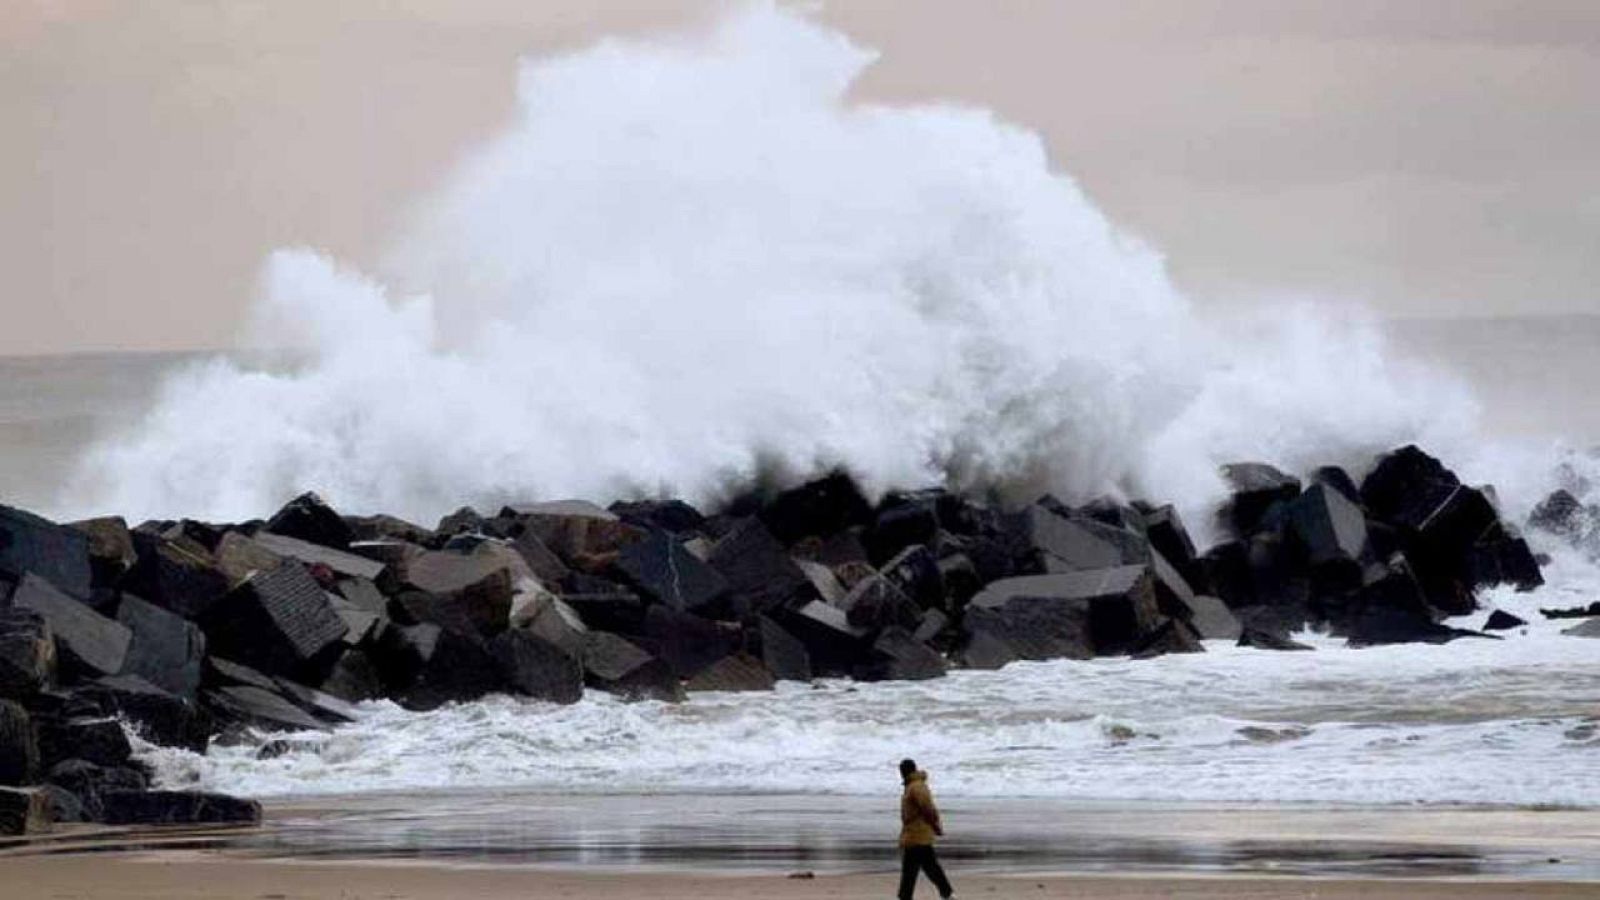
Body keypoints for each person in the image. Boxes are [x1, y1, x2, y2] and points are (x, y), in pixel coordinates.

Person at [897, 758, 955, 900]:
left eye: (902, 770)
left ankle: (947, 893)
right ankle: (946, 893)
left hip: (918, 834)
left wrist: (935, 826)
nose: (901, 773)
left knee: (920, 868)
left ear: (906, 771)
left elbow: (928, 808)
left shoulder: (916, 787)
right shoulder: (913, 785)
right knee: (923, 867)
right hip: (914, 834)